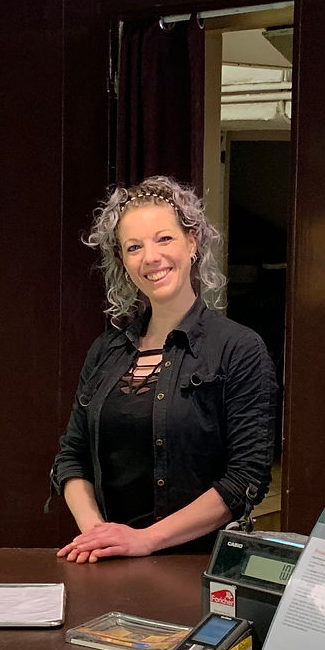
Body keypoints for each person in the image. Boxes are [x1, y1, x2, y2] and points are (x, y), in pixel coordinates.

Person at [53, 176, 277, 563]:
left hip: (198, 566)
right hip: (108, 560)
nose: (150, 257)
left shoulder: (239, 348)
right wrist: (97, 534)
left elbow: (247, 477)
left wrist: (146, 540)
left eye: (164, 239)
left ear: (192, 242)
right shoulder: (105, 351)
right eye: (134, 247)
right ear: (123, 261)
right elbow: (71, 457)